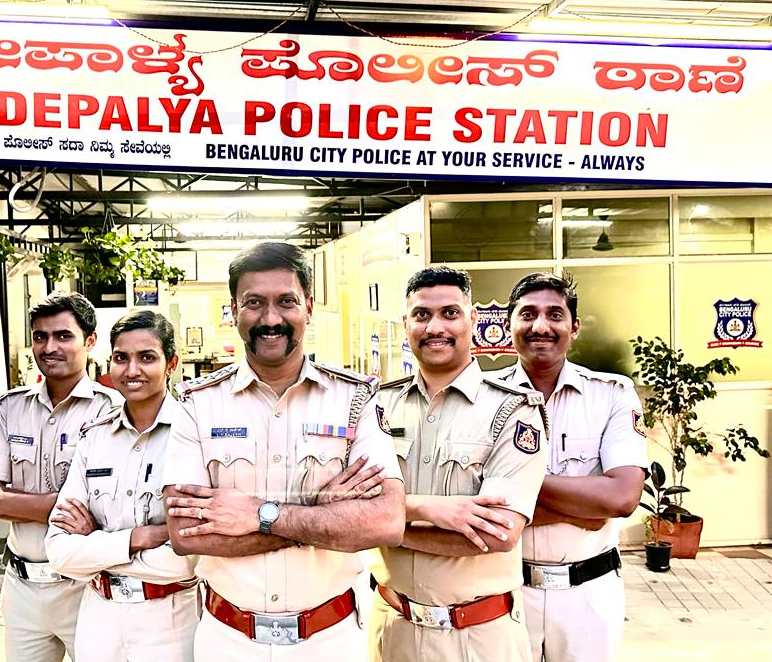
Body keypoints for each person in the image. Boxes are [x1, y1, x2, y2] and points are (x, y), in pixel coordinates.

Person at [162, 241, 406, 661]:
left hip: (329, 642)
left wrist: (258, 516)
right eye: (254, 303)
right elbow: (185, 535)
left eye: (286, 302)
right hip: (228, 640)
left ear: (308, 306)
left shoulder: (355, 400)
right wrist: (324, 517)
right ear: (234, 309)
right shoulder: (197, 403)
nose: (270, 319)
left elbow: (385, 522)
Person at [369, 266, 548, 662]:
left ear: (474, 320)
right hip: (391, 631)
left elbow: (498, 534)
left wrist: (378, 523)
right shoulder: (377, 407)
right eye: (421, 315)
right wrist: (424, 508)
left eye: (450, 313)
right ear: (406, 324)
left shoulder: (513, 410)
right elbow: (338, 505)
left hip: (479, 637)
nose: (435, 326)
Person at [497, 273, 646, 662]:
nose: (541, 326)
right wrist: (584, 509)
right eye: (527, 314)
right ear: (508, 324)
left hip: (589, 594)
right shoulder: (484, 399)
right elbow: (474, 501)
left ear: (574, 327)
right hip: (503, 590)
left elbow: (622, 496)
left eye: (555, 315)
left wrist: (518, 487)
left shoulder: (611, 395)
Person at [0, 290, 120, 662]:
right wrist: (55, 506)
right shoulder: (12, 407)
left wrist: (7, 503)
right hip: (21, 588)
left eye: (63, 336)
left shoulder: (112, 412)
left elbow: (103, 511)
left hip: (88, 587)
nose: (49, 346)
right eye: (40, 336)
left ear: (90, 341)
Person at [44, 309, 200, 662]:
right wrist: (139, 537)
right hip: (99, 618)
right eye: (121, 358)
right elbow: (59, 552)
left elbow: (189, 558)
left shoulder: (195, 437)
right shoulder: (94, 437)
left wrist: (96, 542)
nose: (132, 371)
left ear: (171, 363)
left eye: (147, 358)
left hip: (170, 620)